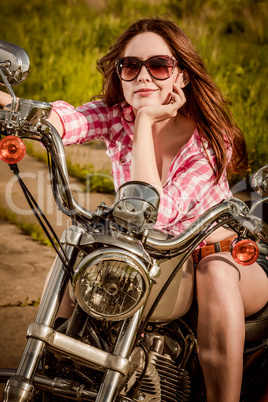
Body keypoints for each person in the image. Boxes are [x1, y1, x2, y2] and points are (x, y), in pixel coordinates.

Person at [1, 17, 268, 402]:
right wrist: (12, 107)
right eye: (130, 66)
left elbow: (154, 212)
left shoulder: (210, 140)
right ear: (121, 74)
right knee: (78, 247)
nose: (144, 76)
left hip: (221, 259)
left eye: (159, 66)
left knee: (215, 274)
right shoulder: (116, 116)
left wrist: (145, 123)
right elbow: (64, 120)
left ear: (183, 76)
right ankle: (50, 363)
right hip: (155, 259)